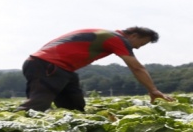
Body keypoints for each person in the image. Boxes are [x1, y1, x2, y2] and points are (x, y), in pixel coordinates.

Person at [16, 27, 174, 112]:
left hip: (60, 68)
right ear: (133, 35)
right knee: (38, 104)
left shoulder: (105, 34)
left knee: (74, 106)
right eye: (142, 43)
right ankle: (8, 129)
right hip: (47, 65)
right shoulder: (115, 38)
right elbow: (136, 67)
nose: (139, 48)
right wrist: (153, 89)